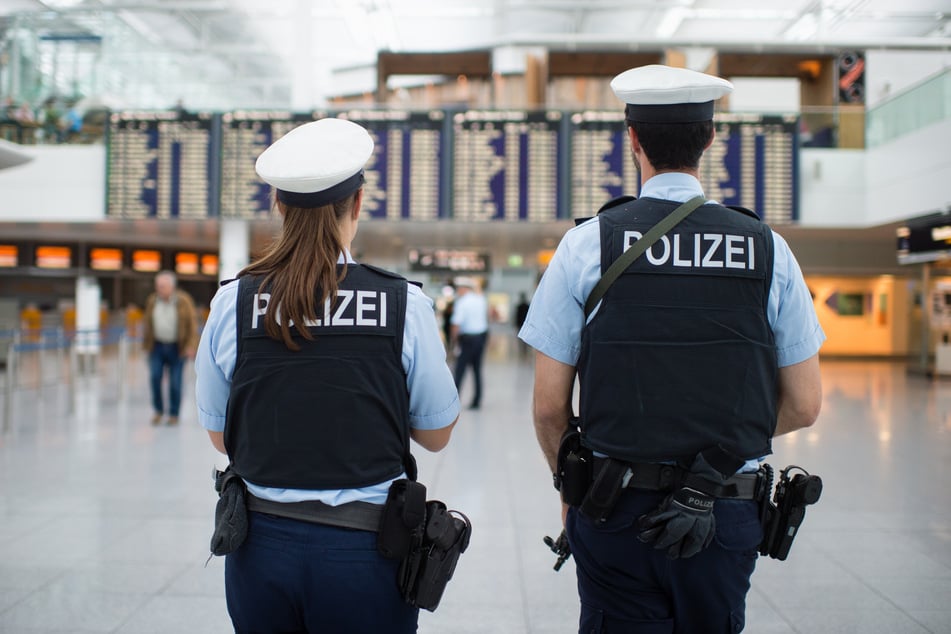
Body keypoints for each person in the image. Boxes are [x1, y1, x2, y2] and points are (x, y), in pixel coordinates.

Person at [518, 64, 825, 633]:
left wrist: (571, 486)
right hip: (727, 506)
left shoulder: (588, 245)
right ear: (710, 140)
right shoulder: (768, 250)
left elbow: (548, 406)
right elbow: (804, 405)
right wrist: (705, 461)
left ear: (631, 140)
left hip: (615, 505)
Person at [194, 117, 460, 633]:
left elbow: (219, 436)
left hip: (259, 549)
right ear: (357, 206)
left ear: (278, 207)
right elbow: (435, 435)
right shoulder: (404, 303)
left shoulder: (234, 303)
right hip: (365, 555)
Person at [143, 270, 199, 426]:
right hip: (157, 347)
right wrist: (147, 343)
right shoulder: (152, 301)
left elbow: (192, 325)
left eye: (162, 286)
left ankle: (174, 413)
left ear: (171, 287)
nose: (159, 289)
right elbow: (147, 323)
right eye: (157, 286)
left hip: (177, 347)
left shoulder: (184, 301)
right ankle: (158, 411)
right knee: (155, 377)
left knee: (175, 382)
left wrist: (190, 346)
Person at [450, 276, 489, 410]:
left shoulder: (462, 302)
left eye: (459, 289)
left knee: (460, 370)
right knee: (477, 370)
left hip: (467, 340)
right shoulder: (481, 299)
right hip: (481, 338)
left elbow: (456, 324)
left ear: (464, 289)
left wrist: (454, 342)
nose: (458, 291)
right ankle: (477, 401)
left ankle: (454, 401)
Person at [514, 292, 530, 358]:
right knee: (525, 339)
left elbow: (517, 316)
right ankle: (524, 351)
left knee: (521, 339)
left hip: (520, 324)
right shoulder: (527, 306)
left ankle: (522, 351)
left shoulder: (519, 306)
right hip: (524, 324)